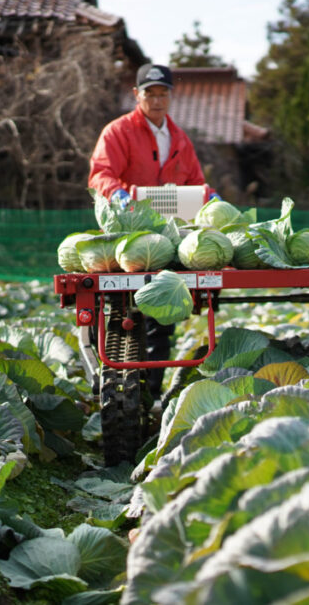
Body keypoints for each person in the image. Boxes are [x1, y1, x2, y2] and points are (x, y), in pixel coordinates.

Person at [88, 63, 219, 398]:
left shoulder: (178, 138)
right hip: (128, 240)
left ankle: (151, 397)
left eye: (163, 94)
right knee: (124, 319)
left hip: (167, 243)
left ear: (170, 97)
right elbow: (101, 173)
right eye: (150, 94)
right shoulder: (118, 132)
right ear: (137, 95)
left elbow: (194, 183)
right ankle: (123, 392)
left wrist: (210, 197)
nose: (157, 100)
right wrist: (116, 193)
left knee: (160, 322)